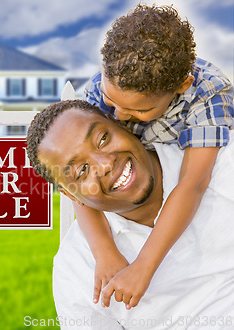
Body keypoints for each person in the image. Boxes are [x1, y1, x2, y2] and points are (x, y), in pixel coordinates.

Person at [76, 4, 234, 309]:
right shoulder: (99, 89)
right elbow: (73, 178)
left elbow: (193, 182)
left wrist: (143, 267)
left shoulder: (209, 93)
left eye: (139, 110)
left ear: (181, 86)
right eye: (112, 101)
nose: (118, 115)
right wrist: (104, 250)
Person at [26, 100, 234, 329]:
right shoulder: (77, 269)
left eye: (103, 139)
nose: (105, 164)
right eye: (82, 171)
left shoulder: (221, 161)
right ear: (72, 196)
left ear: (123, 125)